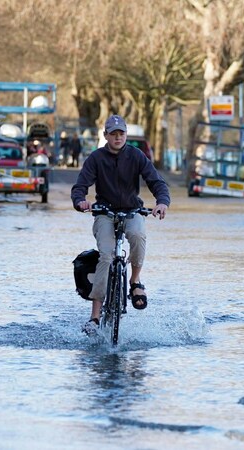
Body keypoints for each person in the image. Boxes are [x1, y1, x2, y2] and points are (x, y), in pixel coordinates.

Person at [71, 114, 170, 335]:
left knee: (137, 235)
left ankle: (135, 282)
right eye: (113, 134)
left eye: (121, 133)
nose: (117, 137)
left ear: (126, 135)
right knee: (106, 256)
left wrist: (162, 203)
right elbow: (80, 186)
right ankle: (95, 316)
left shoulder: (137, 156)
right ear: (106, 135)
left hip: (132, 210)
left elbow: (156, 182)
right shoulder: (96, 158)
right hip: (104, 213)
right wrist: (80, 202)